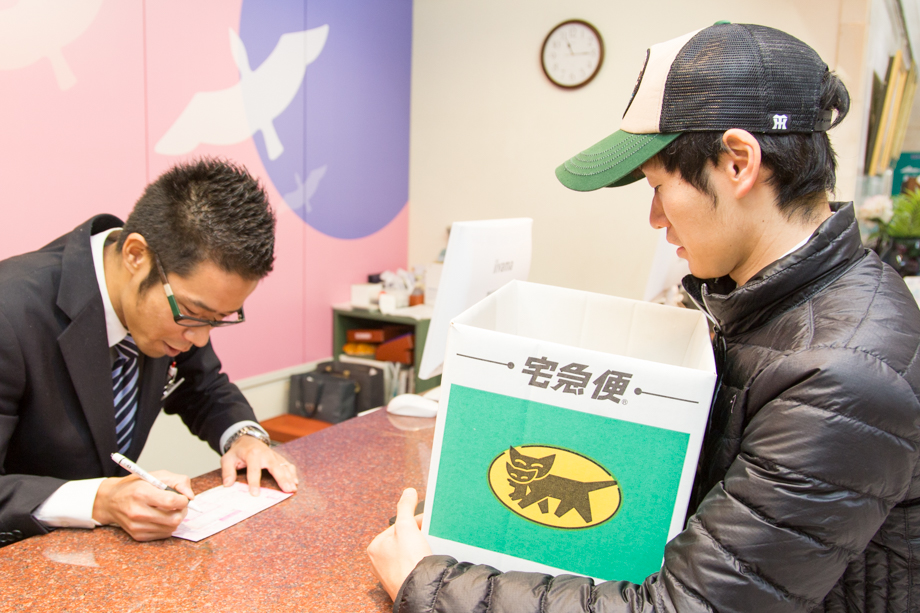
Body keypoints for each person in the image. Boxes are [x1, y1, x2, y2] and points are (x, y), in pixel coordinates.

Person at [368, 22, 920, 612]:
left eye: (660, 186)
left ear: (738, 163)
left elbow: (686, 606)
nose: (656, 219)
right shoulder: (765, 304)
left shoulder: (841, 375)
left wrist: (428, 583)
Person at [0, 158, 298, 546]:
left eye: (219, 318)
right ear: (136, 255)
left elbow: (201, 385)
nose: (201, 339)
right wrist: (99, 500)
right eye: (194, 315)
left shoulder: (172, 309)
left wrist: (244, 437)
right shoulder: (11, 312)